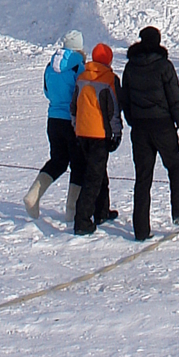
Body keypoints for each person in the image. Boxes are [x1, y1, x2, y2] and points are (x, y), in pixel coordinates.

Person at [120, 24, 179, 238]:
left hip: (140, 128)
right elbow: (174, 99)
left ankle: (141, 230)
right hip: (162, 126)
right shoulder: (164, 66)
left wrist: (134, 121)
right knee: (176, 167)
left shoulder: (130, 67)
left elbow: (125, 99)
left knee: (143, 177)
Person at [24, 28, 85, 217]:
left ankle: (34, 195)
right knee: (78, 163)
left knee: (58, 161)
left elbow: (47, 92)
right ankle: (72, 210)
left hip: (53, 119)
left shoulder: (50, 65)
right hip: (72, 121)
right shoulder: (78, 66)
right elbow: (82, 92)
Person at [69, 44, 122, 234]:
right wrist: (117, 132)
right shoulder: (110, 79)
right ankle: (82, 220)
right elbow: (114, 110)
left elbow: (73, 106)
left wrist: (76, 127)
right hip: (99, 134)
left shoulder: (82, 77)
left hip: (82, 133)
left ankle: (102, 211)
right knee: (93, 177)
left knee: (99, 173)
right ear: (108, 60)